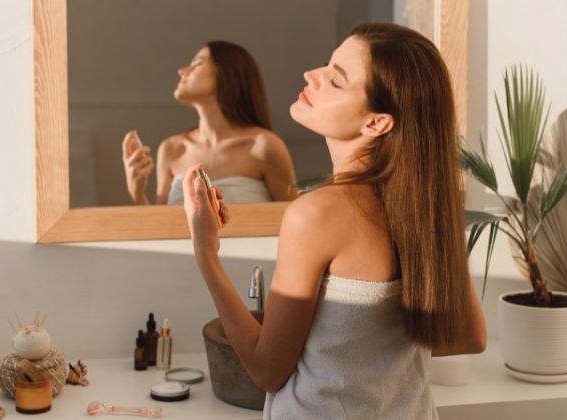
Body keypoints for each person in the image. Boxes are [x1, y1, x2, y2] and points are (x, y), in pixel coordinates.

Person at [183, 22, 486, 419]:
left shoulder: (316, 215)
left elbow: (265, 370)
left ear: (376, 122)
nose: (312, 75)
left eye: (336, 80)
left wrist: (206, 254)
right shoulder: (424, 208)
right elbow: (469, 336)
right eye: (327, 65)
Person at [122, 41, 298, 205]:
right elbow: (159, 229)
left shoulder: (264, 146)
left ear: (227, 73)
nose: (182, 71)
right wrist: (137, 192)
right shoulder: (172, 149)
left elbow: (291, 220)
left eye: (198, 63)